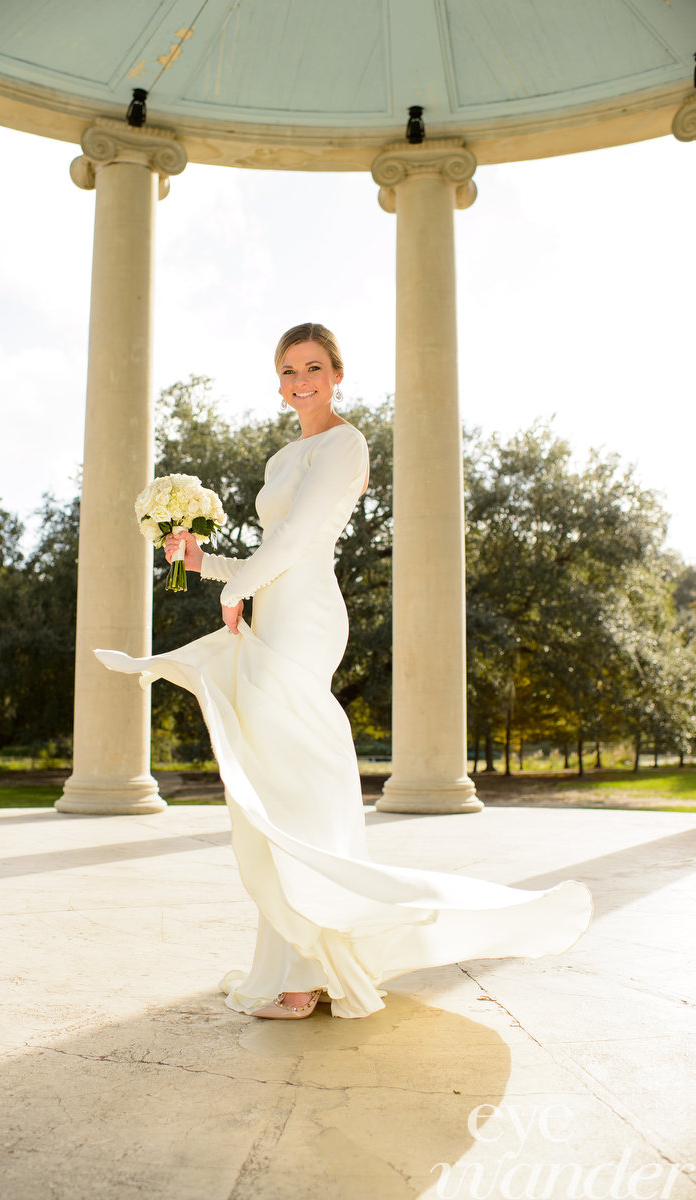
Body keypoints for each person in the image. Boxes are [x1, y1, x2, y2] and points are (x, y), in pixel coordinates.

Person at [95, 322, 592, 1021]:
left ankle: (306, 976)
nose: (302, 380)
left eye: (315, 367)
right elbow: (268, 551)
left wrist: (234, 592)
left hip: (303, 619)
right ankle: (301, 961)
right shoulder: (279, 458)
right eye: (289, 369)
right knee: (275, 784)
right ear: (277, 383)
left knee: (294, 782)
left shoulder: (346, 442)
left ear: (336, 375)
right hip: (271, 604)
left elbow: (299, 542)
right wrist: (202, 562)